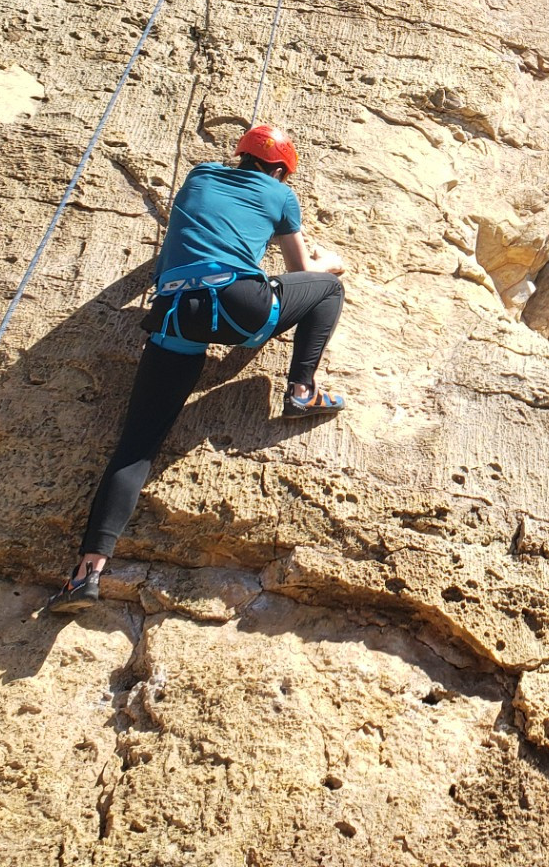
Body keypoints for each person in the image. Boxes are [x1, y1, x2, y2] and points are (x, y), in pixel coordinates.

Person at [47, 124, 347, 615]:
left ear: (240, 155)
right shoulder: (279, 192)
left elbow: (173, 247)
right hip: (238, 305)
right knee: (328, 290)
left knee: (136, 446)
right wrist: (328, 264)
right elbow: (298, 272)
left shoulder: (200, 176)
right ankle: (301, 390)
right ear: (280, 169)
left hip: (174, 313)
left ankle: (87, 572)